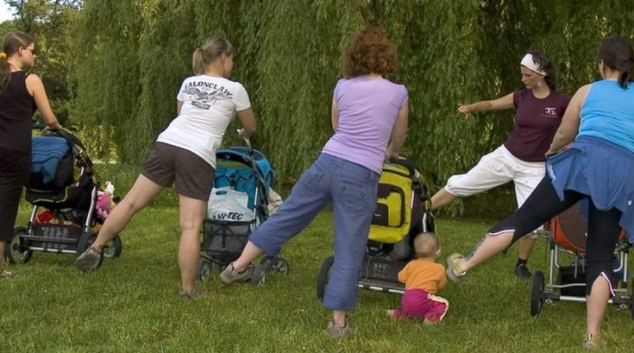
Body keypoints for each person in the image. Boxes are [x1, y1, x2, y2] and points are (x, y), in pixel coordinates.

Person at [218, 26, 409, 339]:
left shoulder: (342, 86)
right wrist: (390, 152)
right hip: (361, 174)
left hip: (326, 162)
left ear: (355, 57)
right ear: (387, 58)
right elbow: (398, 134)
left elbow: (337, 125)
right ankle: (338, 323)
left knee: (288, 215)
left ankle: (237, 267)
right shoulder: (398, 93)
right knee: (349, 243)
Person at [446, 35, 634, 349]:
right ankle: (592, 337)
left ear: (602, 64)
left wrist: (552, 152)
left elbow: (565, 131)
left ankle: (463, 265)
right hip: (620, 176)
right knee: (601, 256)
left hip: (581, 165)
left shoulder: (588, 91)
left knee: (524, 218)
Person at [74, 37, 257, 298]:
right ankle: (188, 289)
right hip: (197, 154)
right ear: (224, 57)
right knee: (191, 226)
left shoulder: (188, 83)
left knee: (130, 203)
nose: (233, 63)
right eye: (232, 58)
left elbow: (182, 115)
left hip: (167, 144)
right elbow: (250, 126)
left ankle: (96, 246)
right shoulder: (235, 89)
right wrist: (242, 132)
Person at [430, 51, 571, 280]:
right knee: (461, 184)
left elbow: (575, 124)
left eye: (527, 75)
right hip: (506, 157)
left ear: (541, 75)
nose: (523, 79)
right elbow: (492, 103)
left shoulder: (562, 102)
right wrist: (472, 108)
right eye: (522, 75)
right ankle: (419, 213)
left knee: (533, 222)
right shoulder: (521, 97)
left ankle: (520, 265)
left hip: (535, 168)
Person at [0, 32, 62, 278]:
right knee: (4, 207)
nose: (35, 55)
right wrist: (56, 127)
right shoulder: (31, 80)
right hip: (15, 151)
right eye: (33, 50)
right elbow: (49, 119)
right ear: (21, 50)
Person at [386, 232, 448, 323]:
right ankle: (431, 318)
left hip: (407, 298)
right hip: (423, 297)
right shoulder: (440, 268)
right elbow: (441, 285)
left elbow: (400, 277)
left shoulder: (411, 264)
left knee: (411, 310)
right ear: (437, 252)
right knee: (443, 303)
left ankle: (397, 313)